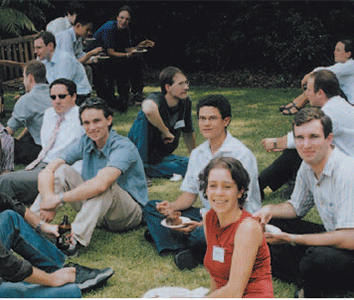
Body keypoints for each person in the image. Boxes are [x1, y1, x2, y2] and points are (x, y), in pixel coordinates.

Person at [0, 129, 114, 297]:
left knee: (10, 217)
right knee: (66, 293)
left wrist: (43, 226)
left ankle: (63, 268)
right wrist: (53, 280)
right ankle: (63, 279)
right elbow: (4, 263)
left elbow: (10, 204)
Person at [143, 94, 261, 270]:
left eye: (212, 118)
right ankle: (184, 247)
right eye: (202, 118)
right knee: (152, 207)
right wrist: (172, 207)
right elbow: (190, 195)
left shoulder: (241, 155)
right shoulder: (197, 154)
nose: (206, 123)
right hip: (206, 214)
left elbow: (240, 205)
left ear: (226, 121)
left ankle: (183, 242)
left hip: (236, 219)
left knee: (201, 234)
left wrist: (201, 225)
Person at [254, 108, 354, 298]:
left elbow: (349, 238)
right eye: (300, 138)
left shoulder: (348, 171)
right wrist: (268, 209)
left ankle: (319, 287)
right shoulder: (307, 166)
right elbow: (296, 207)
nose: (306, 145)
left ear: (329, 138)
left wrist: (292, 239)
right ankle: (316, 285)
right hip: (335, 239)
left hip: (348, 244)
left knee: (316, 259)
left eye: (314, 137)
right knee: (269, 226)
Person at [31, 97, 147, 255]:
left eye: (97, 121)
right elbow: (47, 170)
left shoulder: (123, 147)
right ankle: (32, 224)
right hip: (97, 209)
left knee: (105, 185)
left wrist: (58, 199)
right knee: (61, 170)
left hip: (127, 215)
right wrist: (48, 200)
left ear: (109, 120)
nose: (92, 127)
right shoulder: (85, 141)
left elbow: (101, 185)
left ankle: (74, 240)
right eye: (86, 123)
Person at [259, 69, 354, 199]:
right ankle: (295, 185)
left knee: (300, 149)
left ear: (320, 93)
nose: (306, 95)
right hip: (345, 165)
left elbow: (299, 137)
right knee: (302, 147)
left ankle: (258, 185)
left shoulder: (330, 112)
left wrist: (274, 143)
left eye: (308, 90)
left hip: (344, 173)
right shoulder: (341, 105)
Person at [0, 78, 85, 205]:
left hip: (62, 170)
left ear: (74, 96)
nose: (57, 101)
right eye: (53, 97)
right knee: (12, 182)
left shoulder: (83, 119)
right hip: (42, 163)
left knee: (5, 180)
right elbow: (45, 144)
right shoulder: (49, 114)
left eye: (62, 96)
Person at [200, 157, 273, 298]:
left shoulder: (247, 229)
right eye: (213, 185)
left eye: (227, 187)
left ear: (240, 191)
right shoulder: (209, 218)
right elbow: (215, 276)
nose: (219, 192)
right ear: (206, 190)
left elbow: (234, 292)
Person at [128, 67, 196, 180]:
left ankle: (146, 169)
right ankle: (139, 169)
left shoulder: (185, 101)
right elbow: (149, 110)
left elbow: (188, 132)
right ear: (167, 87)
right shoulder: (156, 98)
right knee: (144, 115)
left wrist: (196, 158)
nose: (186, 87)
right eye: (181, 84)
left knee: (194, 167)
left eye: (186, 83)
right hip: (140, 153)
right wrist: (165, 131)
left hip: (161, 156)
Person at [90, 5, 155, 111]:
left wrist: (139, 46)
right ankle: (123, 97)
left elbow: (127, 49)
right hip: (98, 58)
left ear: (130, 21)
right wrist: (128, 55)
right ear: (117, 17)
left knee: (137, 60)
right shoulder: (109, 28)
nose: (124, 21)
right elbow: (111, 52)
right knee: (124, 63)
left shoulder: (126, 29)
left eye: (127, 19)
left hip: (111, 58)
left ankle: (136, 93)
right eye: (122, 17)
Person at [280, 39, 354, 114]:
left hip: (350, 104)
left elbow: (325, 71)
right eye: (335, 50)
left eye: (338, 50)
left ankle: (297, 105)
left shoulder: (350, 65)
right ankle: (296, 103)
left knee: (320, 82)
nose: (334, 52)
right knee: (320, 82)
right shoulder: (342, 65)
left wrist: (308, 76)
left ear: (348, 54)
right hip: (344, 99)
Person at [5, 60, 52, 165]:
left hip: (44, 151)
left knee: (6, 143)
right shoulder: (53, 92)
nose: (23, 81)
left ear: (30, 77)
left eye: (24, 77)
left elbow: (9, 131)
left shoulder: (27, 99)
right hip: (60, 144)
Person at [34, 31, 92, 105]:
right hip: (62, 94)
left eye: (39, 48)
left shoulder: (64, 59)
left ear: (50, 46)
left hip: (79, 96)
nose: (35, 51)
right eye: (35, 48)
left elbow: (62, 88)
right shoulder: (43, 59)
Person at [55, 12, 104, 86]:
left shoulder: (78, 37)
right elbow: (69, 64)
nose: (89, 33)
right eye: (87, 30)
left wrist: (94, 59)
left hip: (66, 66)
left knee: (88, 69)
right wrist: (90, 54)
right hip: (57, 68)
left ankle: (86, 94)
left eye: (90, 30)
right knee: (84, 69)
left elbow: (79, 56)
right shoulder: (66, 37)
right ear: (78, 26)